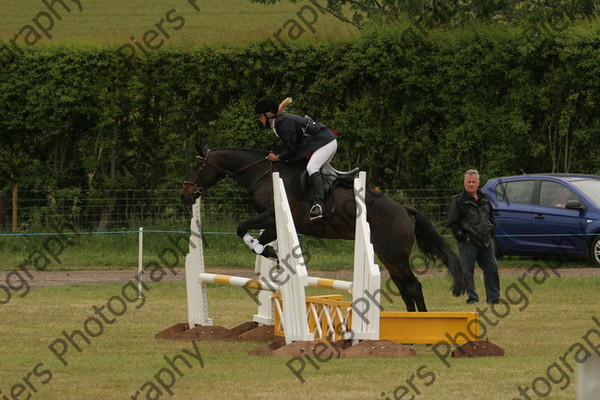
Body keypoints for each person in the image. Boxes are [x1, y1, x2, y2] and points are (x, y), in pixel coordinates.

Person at [254, 97, 338, 220]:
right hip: (324, 142)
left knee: (312, 167)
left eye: (260, 116)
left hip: (326, 143)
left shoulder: (282, 123)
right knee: (308, 171)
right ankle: (313, 201)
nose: (259, 120)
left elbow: (292, 149)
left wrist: (277, 157)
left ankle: (319, 205)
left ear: (268, 115)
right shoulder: (280, 122)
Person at [447, 169, 501, 305]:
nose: (471, 184)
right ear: (464, 183)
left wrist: (490, 232)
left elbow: (491, 217)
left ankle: (494, 299)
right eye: (468, 182)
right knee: (467, 271)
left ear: (478, 183)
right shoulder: (459, 201)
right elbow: (452, 223)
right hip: (468, 242)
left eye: (473, 182)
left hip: (486, 241)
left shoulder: (484, 199)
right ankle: (473, 298)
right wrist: (463, 237)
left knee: (492, 268)